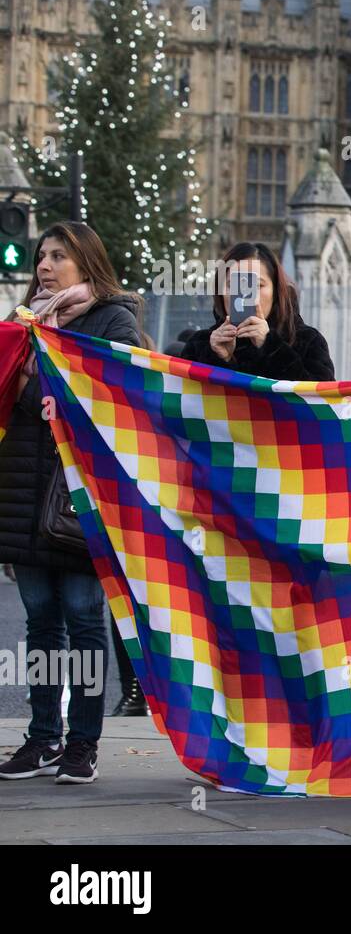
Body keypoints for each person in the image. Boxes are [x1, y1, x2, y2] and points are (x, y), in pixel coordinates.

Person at [0, 221, 144, 784]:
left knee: (84, 618)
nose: (45, 265)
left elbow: (126, 397)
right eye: (41, 256)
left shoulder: (112, 319)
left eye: (58, 255)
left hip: (79, 495)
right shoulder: (24, 321)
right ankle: (41, 738)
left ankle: (82, 743)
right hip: (22, 489)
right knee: (40, 622)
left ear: (86, 261)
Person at [181, 242, 334, 381]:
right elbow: (186, 403)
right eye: (233, 284)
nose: (246, 295)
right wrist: (218, 359)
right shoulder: (200, 346)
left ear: (276, 291)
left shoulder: (307, 341)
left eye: (256, 285)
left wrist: (271, 347)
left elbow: (320, 402)